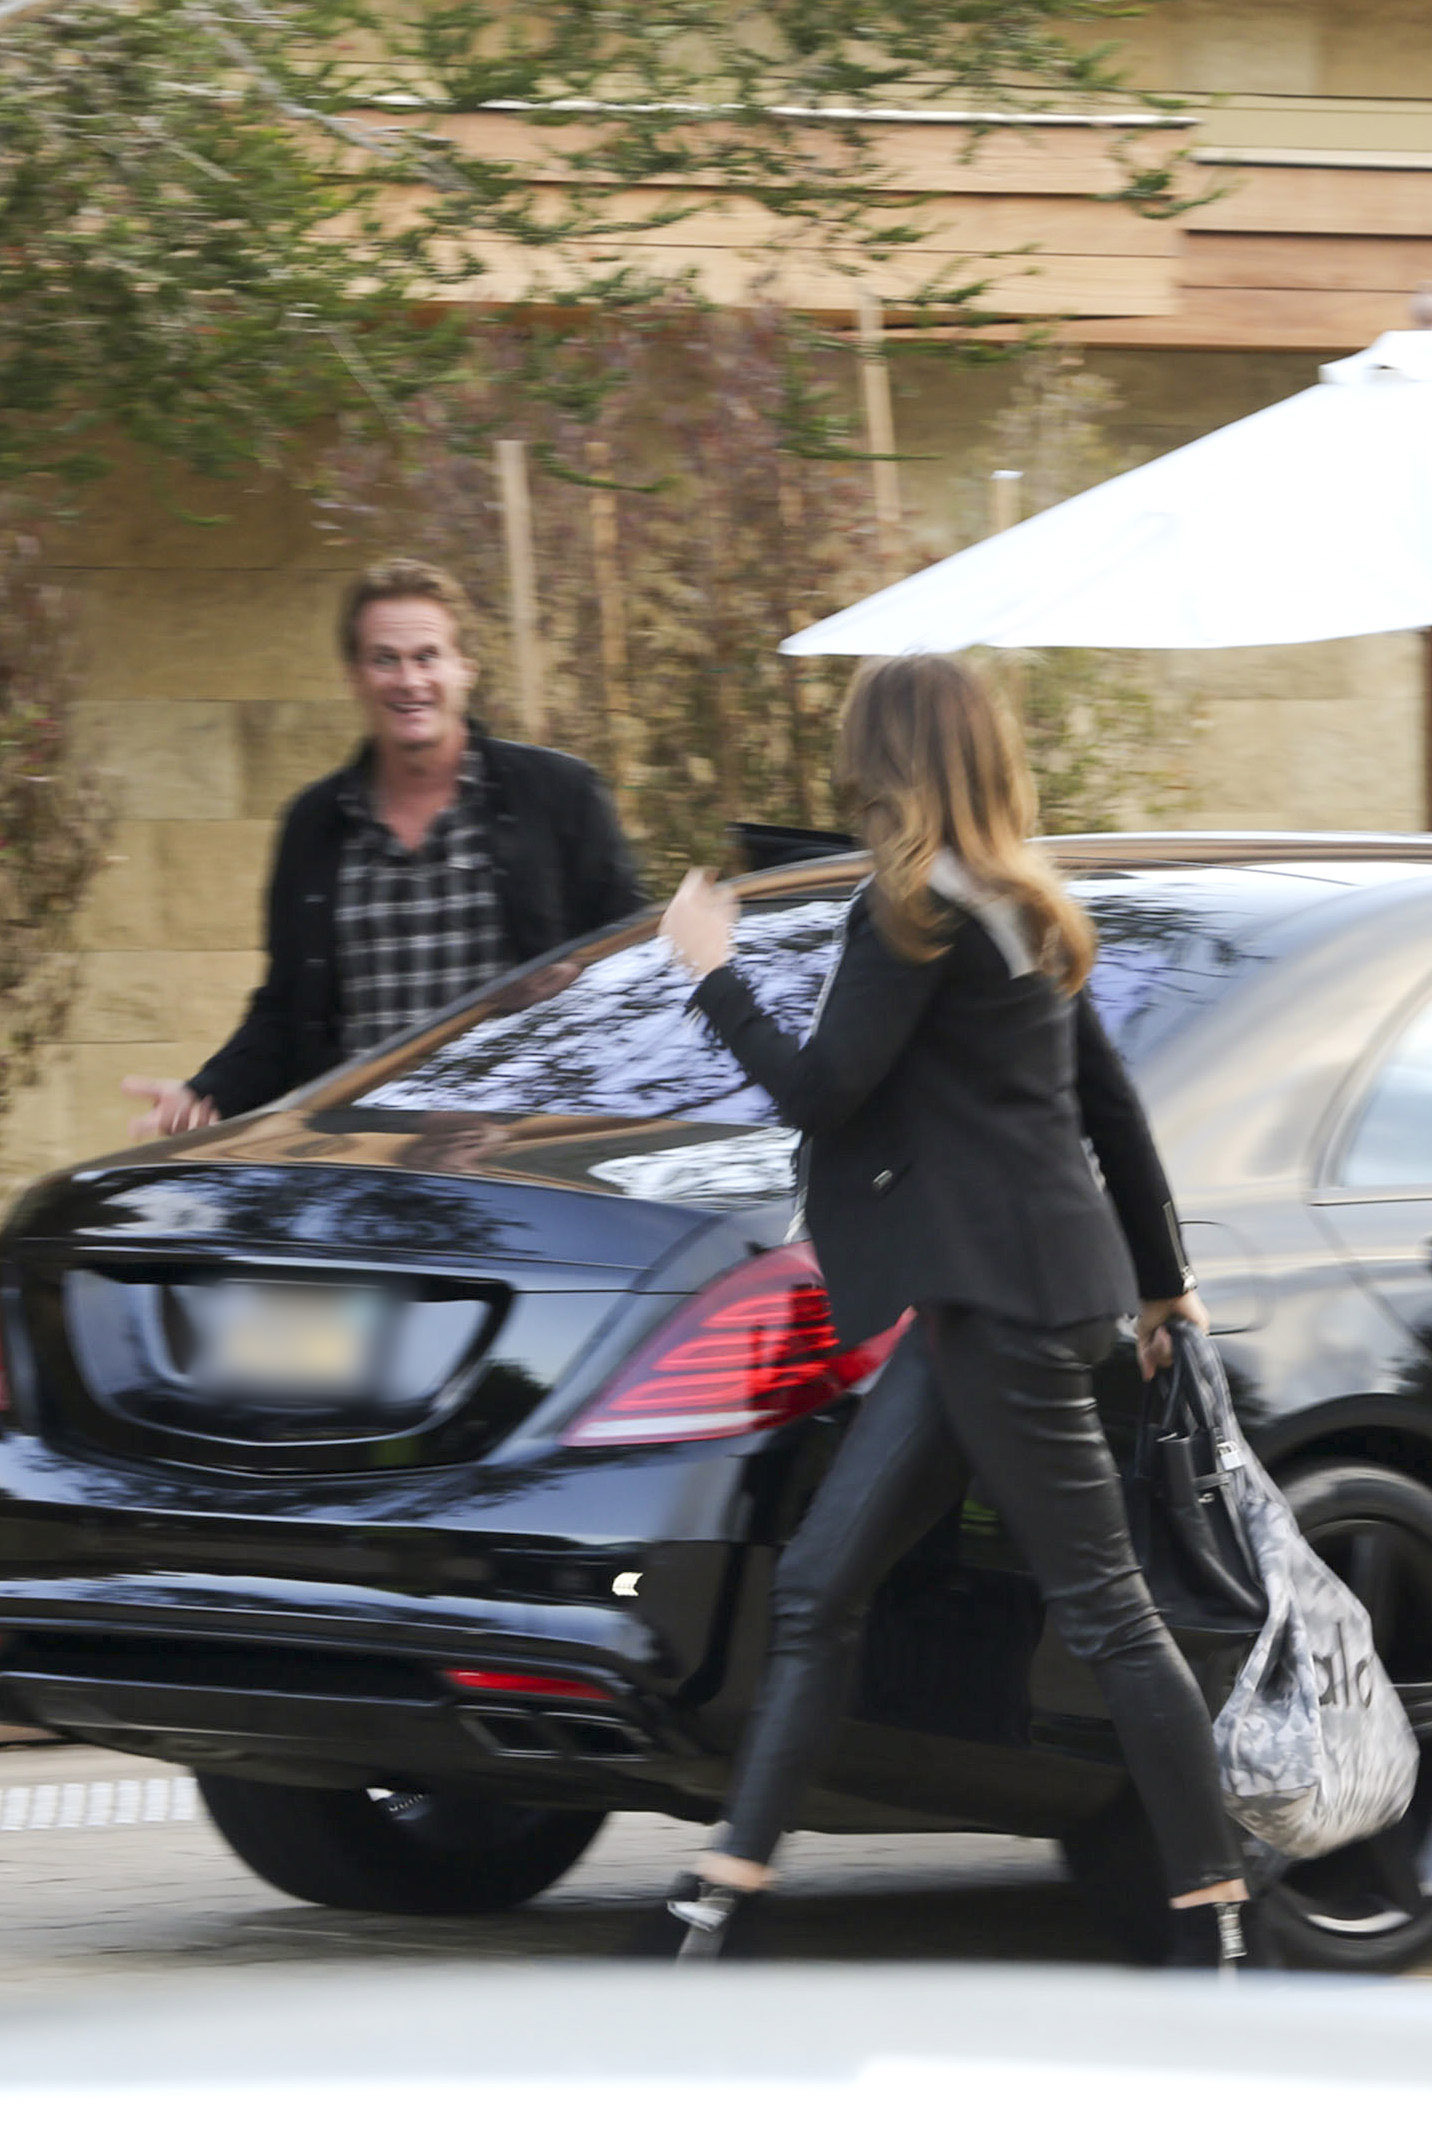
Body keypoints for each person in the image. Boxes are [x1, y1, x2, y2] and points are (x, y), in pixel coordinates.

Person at [652, 653, 1253, 1971]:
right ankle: (727, 1885)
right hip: (1006, 1302)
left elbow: (820, 1089)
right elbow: (1108, 1108)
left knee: (1103, 1609)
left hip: (1001, 1310)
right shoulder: (1025, 908)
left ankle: (1215, 1914)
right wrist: (1162, 1284)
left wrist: (711, 972)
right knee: (819, 1582)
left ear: (894, 759)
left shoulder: (914, 910)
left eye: (860, 746)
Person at [123, 559, 642, 1134]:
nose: (409, 681)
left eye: (427, 656)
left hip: (522, 1168)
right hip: (369, 1174)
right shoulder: (315, 825)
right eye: (384, 659)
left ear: (465, 668)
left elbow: (634, 972)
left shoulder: (557, 797)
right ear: (354, 676)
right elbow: (286, 1012)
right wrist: (207, 1094)